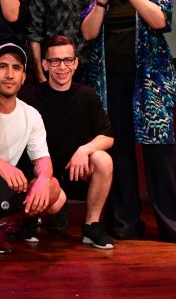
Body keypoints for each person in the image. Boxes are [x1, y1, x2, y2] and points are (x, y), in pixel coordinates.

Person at [80, 0, 176, 244]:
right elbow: (88, 32)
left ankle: (172, 227)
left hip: (150, 85)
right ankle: (124, 223)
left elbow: (160, 21)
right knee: (120, 151)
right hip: (111, 84)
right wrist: (103, 0)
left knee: (158, 154)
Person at [19, 35, 114, 249]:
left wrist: (84, 150)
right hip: (39, 174)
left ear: (76, 62)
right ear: (45, 65)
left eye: (68, 60)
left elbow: (107, 136)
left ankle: (92, 226)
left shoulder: (86, 95)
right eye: (55, 61)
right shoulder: (29, 96)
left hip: (74, 171)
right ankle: (30, 218)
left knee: (103, 159)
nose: (62, 67)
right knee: (49, 190)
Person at [0, 43, 65, 254]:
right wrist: (0, 163)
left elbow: (43, 159)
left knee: (55, 192)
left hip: (1, 188)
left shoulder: (30, 115)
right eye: (2, 66)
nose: (9, 74)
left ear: (23, 77)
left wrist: (43, 179)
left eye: (16, 68)